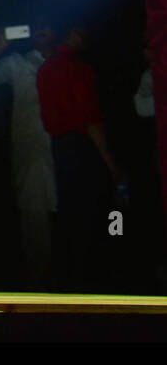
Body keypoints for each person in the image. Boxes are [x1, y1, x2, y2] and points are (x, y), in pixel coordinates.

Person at [35, 24, 125, 290]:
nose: (87, 39)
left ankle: (68, 281)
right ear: (74, 34)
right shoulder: (78, 68)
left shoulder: (46, 68)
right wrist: (110, 162)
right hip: (82, 148)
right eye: (84, 33)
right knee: (90, 217)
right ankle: (92, 282)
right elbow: (90, 118)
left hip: (60, 147)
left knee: (69, 215)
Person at [0, 24, 56, 287]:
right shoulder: (18, 63)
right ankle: (38, 286)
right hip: (32, 152)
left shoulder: (67, 62)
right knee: (34, 219)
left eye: (47, 27)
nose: (42, 32)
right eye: (37, 28)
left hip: (66, 151)